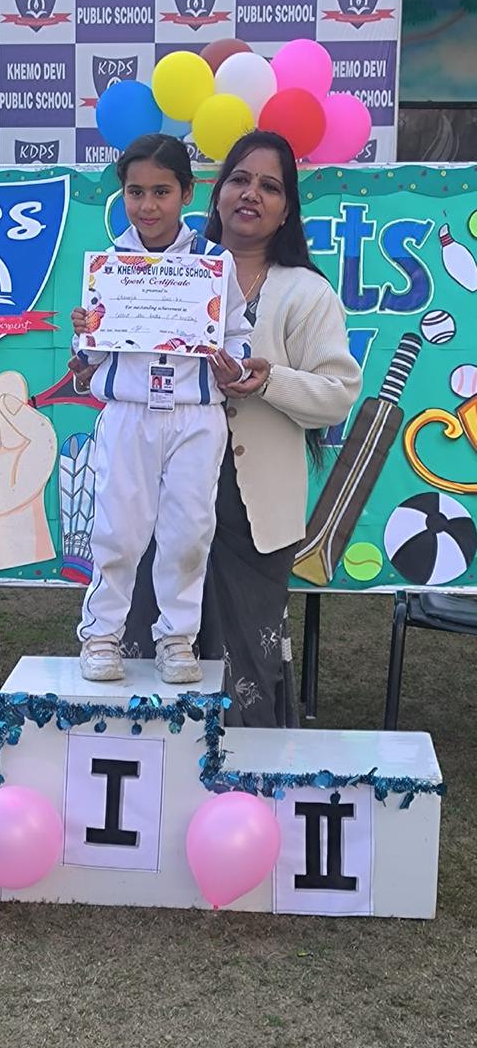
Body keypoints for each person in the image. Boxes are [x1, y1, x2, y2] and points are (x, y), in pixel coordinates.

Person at [72, 130, 362, 723]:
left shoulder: (303, 291)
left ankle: (245, 780)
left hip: (251, 509)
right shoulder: (143, 264)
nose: (251, 194)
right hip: (148, 461)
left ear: (287, 208)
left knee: (242, 666)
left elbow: (337, 396)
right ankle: (144, 769)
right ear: (214, 191)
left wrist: (266, 378)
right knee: (134, 609)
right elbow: (105, 355)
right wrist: (90, 348)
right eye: (240, 179)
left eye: (270, 186)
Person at [71, 133, 251, 686]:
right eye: (136, 192)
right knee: (117, 530)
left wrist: (234, 364)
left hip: (197, 414)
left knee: (189, 532)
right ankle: (102, 636)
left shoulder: (214, 262)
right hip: (129, 411)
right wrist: (86, 334)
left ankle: (176, 637)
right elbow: (90, 355)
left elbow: (237, 333)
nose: (147, 206)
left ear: (186, 193)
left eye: (161, 192)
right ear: (122, 195)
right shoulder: (110, 265)